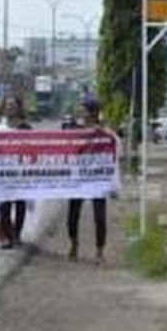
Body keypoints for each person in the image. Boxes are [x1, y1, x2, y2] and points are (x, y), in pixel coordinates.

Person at [65, 96, 108, 263]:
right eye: (81, 109)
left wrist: (102, 129)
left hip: (98, 177)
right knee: (73, 215)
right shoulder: (74, 128)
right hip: (77, 178)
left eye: (85, 110)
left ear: (94, 112)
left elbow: (114, 141)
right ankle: (74, 244)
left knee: (100, 216)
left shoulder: (103, 131)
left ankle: (99, 250)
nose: (81, 113)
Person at [0, 96, 32, 250]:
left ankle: (17, 235)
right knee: (4, 205)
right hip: (3, 171)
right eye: (8, 105)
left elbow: (32, 147)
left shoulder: (26, 128)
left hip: (21, 171)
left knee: (20, 203)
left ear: (19, 108)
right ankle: (8, 235)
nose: (10, 108)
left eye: (13, 105)